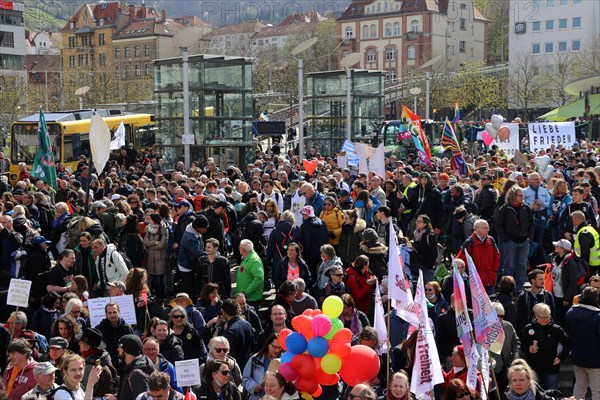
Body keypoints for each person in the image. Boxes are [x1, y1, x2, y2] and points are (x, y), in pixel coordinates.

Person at [520, 303, 570, 391]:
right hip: (533, 369)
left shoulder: (557, 329)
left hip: (551, 369)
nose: (545, 320)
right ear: (536, 316)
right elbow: (521, 344)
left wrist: (560, 358)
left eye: (547, 317)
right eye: (542, 317)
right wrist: (529, 349)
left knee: (551, 394)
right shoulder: (528, 329)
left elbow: (568, 343)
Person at [494, 185, 534, 292]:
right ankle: (509, 287)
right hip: (510, 241)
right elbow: (498, 225)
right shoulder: (505, 209)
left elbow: (532, 223)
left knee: (522, 265)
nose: (522, 197)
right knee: (509, 266)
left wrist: (529, 236)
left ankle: (519, 287)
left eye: (523, 195)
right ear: (513, 196)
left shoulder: (526, 207)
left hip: (524, 241)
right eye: (520, 195)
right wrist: (506, 238)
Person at [565, 287, 600, 400]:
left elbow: (569, 333)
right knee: (597, 391)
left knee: (579, 387)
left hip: (577, 356)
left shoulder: (570, 312)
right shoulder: (598, 316)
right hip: (596, 360)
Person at [457, 219, 500, 295]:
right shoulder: (469, 243)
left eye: (488, 228)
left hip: (490, 279)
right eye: (485, 228)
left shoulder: (491, 240)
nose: (488, 230)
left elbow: (497, 256)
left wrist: (494, 270)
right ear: (477, 229)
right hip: (476, 281)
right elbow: (462, 260)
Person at [107, 335, 155, 400]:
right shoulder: (127, 366)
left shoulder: (137, 374)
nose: (118, 349)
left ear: (126, 350)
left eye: (119, 347)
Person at [242, 333, 283, 400]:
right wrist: (253, 386)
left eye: (279, 347)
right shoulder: (255, 359)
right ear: (268, 344)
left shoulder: (284, 360)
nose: (277, 350)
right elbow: (245, 379)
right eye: (274, 347)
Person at [177, 215, 209, 298]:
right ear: (198, 228)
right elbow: (198, 253)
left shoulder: (194, 231)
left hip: (190, 262)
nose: (206, 230)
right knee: (189, 288)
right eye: (204, 228)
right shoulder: (190, 238)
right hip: (186, 265)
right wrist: (210, 253)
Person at [95, 302, 134, 366]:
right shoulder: (99, 329)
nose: (112, 315)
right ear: (106, 314)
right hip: (106, 364)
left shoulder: (126, 328)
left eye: (114, 312)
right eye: (109, 313)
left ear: (119, 312)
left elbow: (132, 347)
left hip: (124, 364)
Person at [220, 298, 254, 371]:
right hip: (248, 365)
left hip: (235, 369)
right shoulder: (247, 324)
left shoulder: (230, 331)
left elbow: (228, 354)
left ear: (224, 312)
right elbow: (253, 345)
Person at [143, 213, 168, 299]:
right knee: (153, 278)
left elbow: (162, 245)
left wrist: (150, 246)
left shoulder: (163, 229)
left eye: (150, 219)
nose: (148, 220)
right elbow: (145, 242)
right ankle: (156, 296)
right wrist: (154, 242)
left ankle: (161, 297)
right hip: (150, 258)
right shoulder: (148, 229)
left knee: (159, 279)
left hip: (160, 257)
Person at [299, 205, 329, 277]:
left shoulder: (305, 225)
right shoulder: (322, 222)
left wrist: (304, 254)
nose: (303, 216)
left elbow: (306, 242)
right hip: (322, 253)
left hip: (310, 255)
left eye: (304, 214)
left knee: (311, 274)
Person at [411, 214, 439, 283]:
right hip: (418, 266)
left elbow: (434, 252)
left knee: (428, 286)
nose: (417, 223)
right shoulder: (416, 234)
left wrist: (429, 265)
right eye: (417, 221)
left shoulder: (430, 235)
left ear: (425, 224)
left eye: (419, 221)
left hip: (427, 267)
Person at [237, 239, 264, 309]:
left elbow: (259, 279)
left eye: (240, 247)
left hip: (251, 299)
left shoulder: (253, 261)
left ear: (244, 250)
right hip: (245, 298)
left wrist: (246, 292)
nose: (239, 249)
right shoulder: (247, 258)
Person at [572, 209, 600, 277]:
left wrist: (584, 268)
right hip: (596, 262)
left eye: (573, 221)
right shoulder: (590, 228)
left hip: (590, 265)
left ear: (578, 220)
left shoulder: (584, 232)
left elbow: (585, 253)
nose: (573, 223)